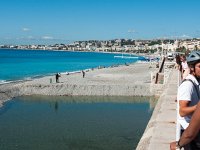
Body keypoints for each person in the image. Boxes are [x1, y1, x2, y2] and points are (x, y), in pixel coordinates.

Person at [171, 51, 200, 150]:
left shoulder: (196, 83)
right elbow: (182, 111)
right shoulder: (188, 85)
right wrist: (198, 107)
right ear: (192, 68)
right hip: (189, 131)